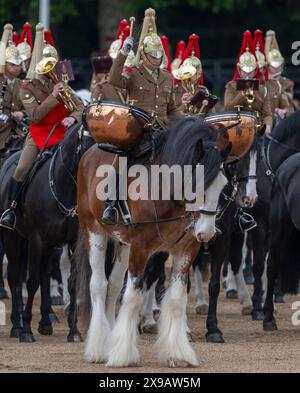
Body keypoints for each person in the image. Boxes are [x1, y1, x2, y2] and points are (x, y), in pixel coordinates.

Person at [0, 23, 84, 230]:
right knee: (20, 168)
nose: (51, 69)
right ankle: (10, 209)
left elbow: (80, 106)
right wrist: (54, 96)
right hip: (39, 134)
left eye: (53, 64)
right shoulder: (27, 87)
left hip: (64, 133)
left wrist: (72, 118)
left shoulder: (62, 79)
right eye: (47, 65)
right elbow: (36, 116)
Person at [103, 8, 181, 224]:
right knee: (122, 158)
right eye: (153, 55)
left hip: (162, 130)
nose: (157, 58)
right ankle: (111, 203)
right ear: (144, 54)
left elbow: (172, 108)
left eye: (159, 54)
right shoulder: (134, 73)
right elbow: (113, 80)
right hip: (138, 129)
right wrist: (122, 54)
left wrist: (186, 122)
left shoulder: (166, 77)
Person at [224, 30, 273, 133]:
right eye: (244, 72)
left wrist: (267, 126)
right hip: (238, 128)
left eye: (250, 72)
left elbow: (268, 114)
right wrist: (242, 94)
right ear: (239, 71)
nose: (247, 75)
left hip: (257, 128)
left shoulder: (262, 89)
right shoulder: (231, 86)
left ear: (255, 71)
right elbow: (228, 108)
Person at [172, 33, 217, 114]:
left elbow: (212, 116)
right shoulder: (173, 91)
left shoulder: (204, 91)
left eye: (193, 75)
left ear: (198, 75)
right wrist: (183, 105)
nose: (190, 78)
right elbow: (169, 118)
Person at [0, 24, 26, 152]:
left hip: (20, 130)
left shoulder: (23, 85)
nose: (17, 67)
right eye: (13, 64)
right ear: (4, 65)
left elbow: (31, 109)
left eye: (19, 64)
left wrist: (22, 114)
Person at [90, 19, 129, 103]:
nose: (117, 61)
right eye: (114, 59)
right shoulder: (101, 75)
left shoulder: (132, 73)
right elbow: (94, 94)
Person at [264, 30, 294, 119]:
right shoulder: (262, 82)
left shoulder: (287, 82)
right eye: (274, 66)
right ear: (268, 66)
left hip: (283, 116)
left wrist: (284, 110)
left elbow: (288, 104)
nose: (277, 68)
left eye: (279, 65)